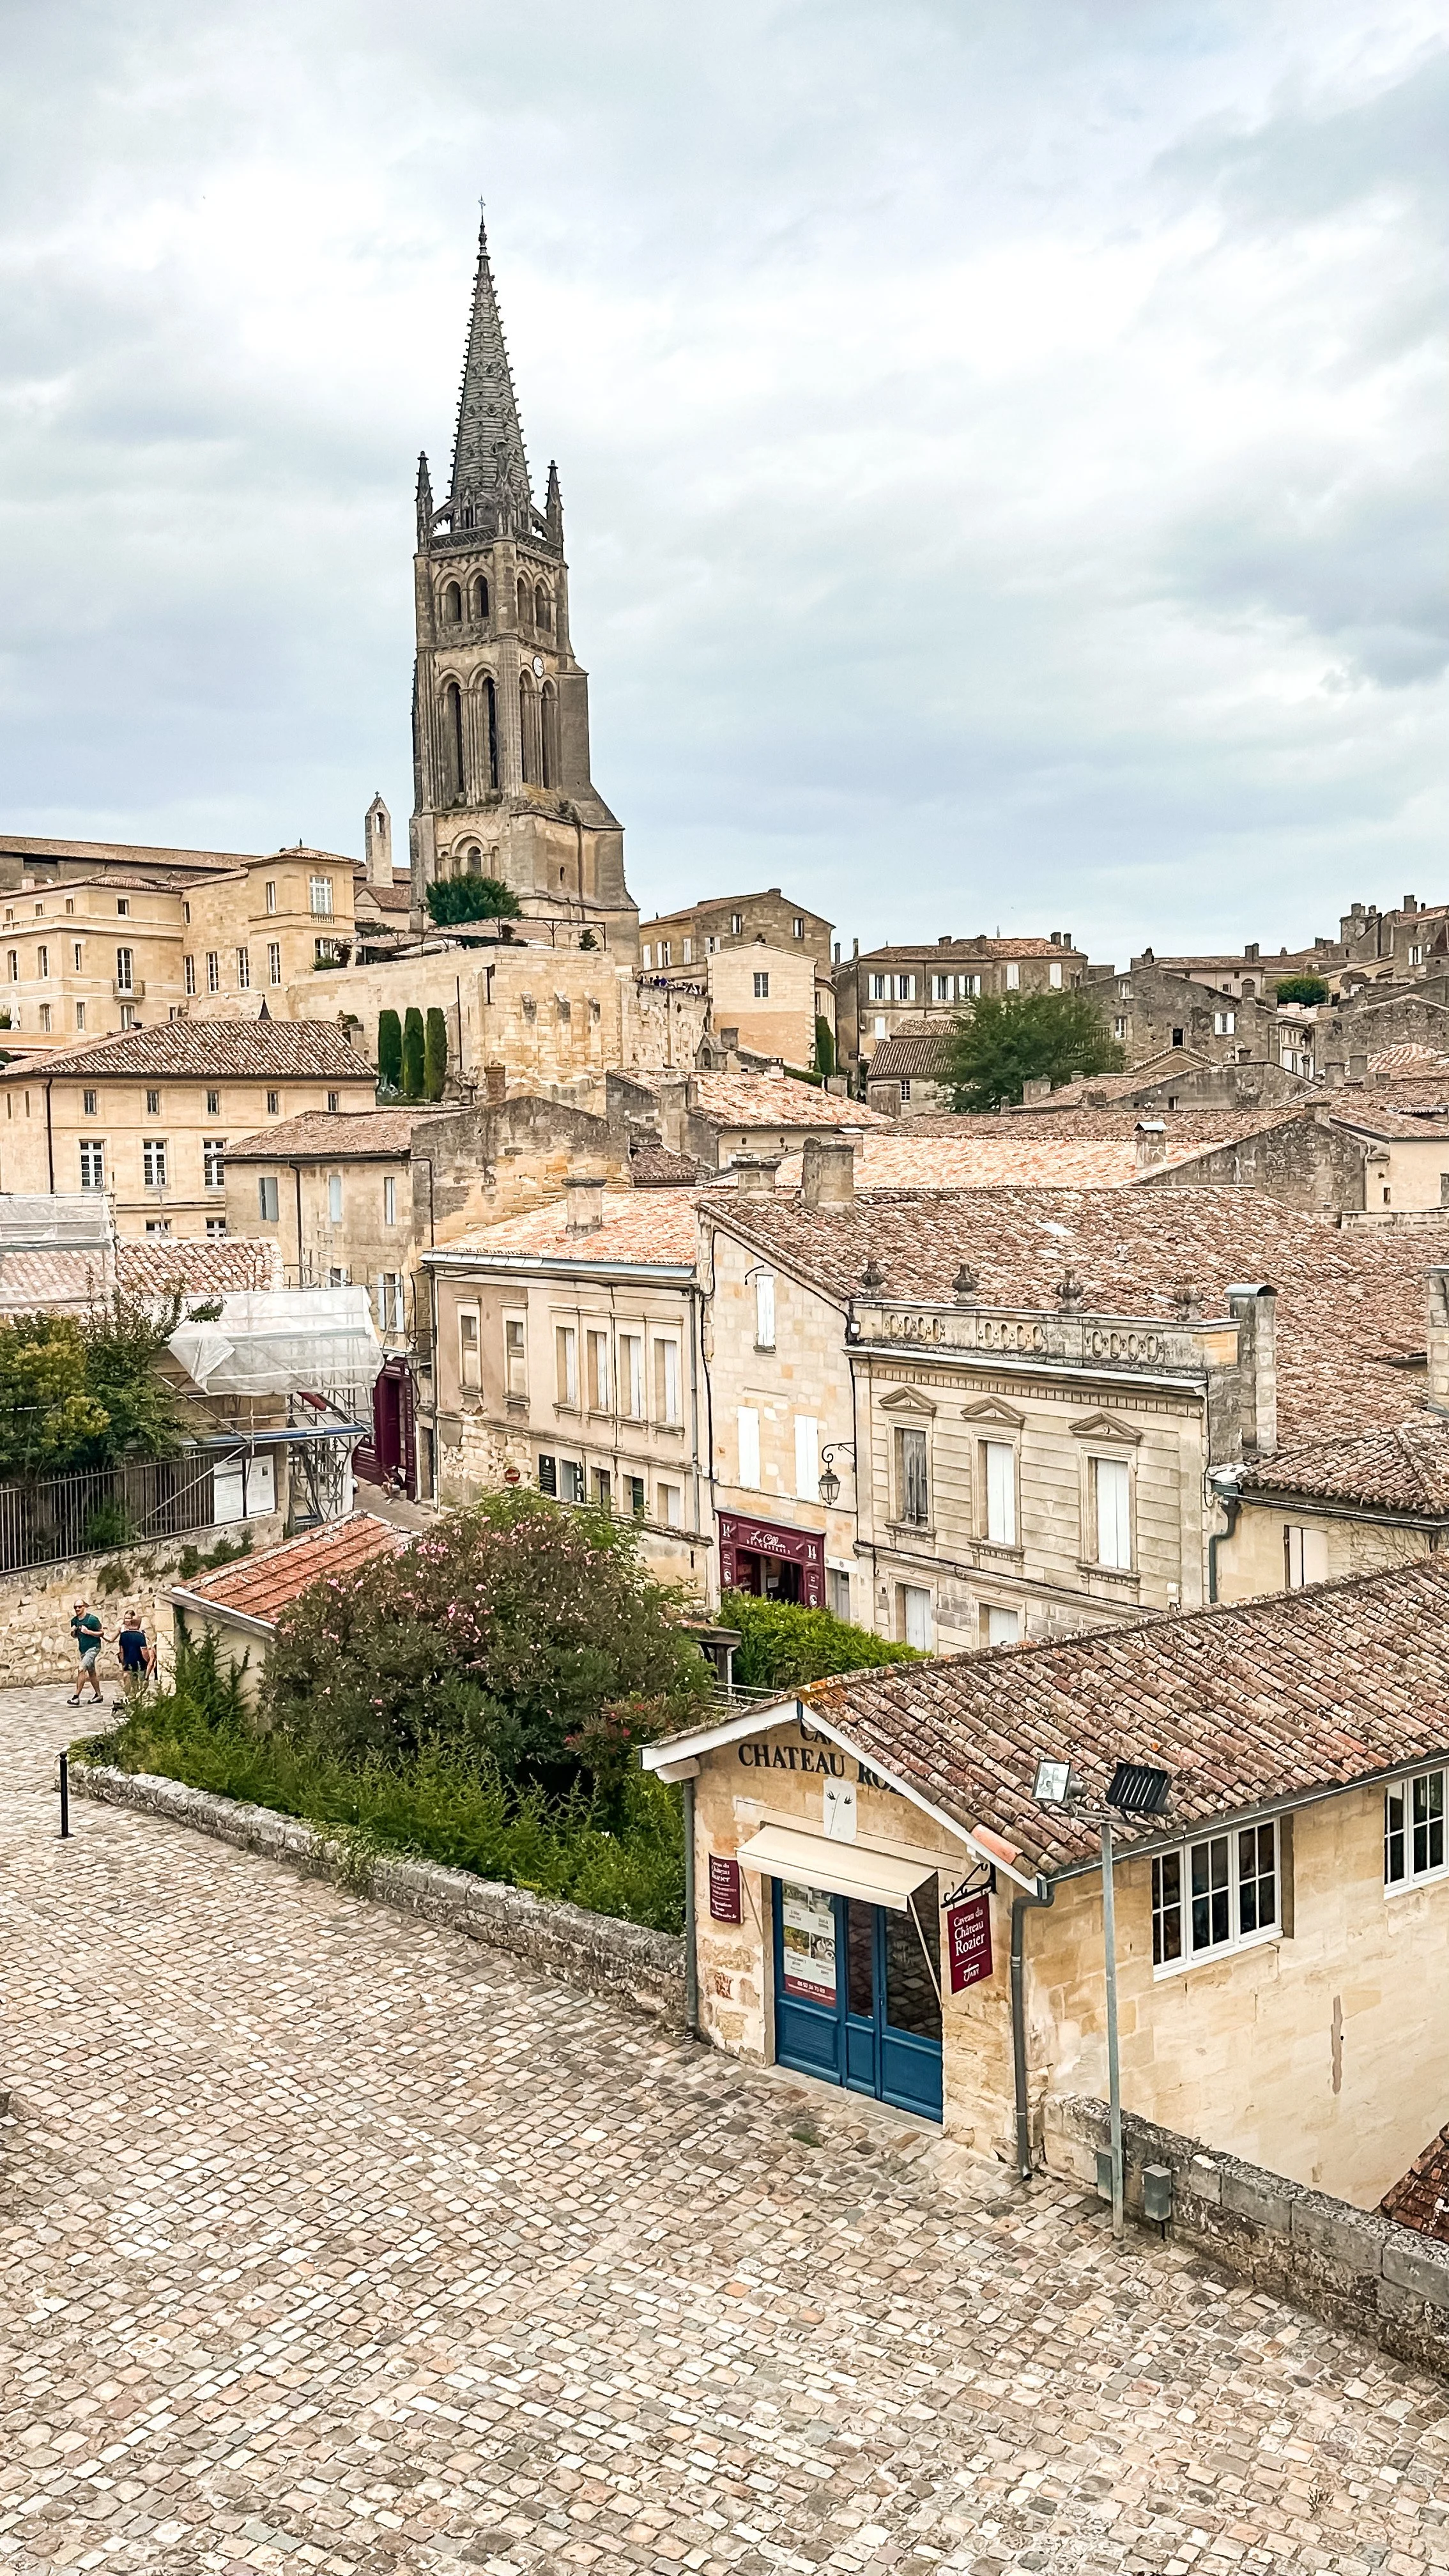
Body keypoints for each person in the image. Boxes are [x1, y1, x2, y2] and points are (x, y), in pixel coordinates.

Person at [68, 1600, 105, 1706]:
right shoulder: (74, 1621)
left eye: (80, 1607)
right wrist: (73, 1633)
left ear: (85, 1607)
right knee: (92, 1672)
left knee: (81, 1669)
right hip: (83, 1649)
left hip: (94, 1648)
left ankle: (76, 1697)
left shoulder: (92, 1619)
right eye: (75, 1607)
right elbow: (75, 1636)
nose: (77, 1609)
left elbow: (102, 1633)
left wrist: (88, 1632)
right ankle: (98, 1695)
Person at [116, 1608, 151, 1705]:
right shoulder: (140, 1636)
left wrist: (123, 1662)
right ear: (139, 1624)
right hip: (140, 1664)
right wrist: (148, 1661)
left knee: (129, 1683)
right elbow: (144, 1652)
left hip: (128, 1663)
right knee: (139, 1684)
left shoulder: (123, 1635)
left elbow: (121, 1651)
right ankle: (136, 1702)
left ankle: (129, 1700)